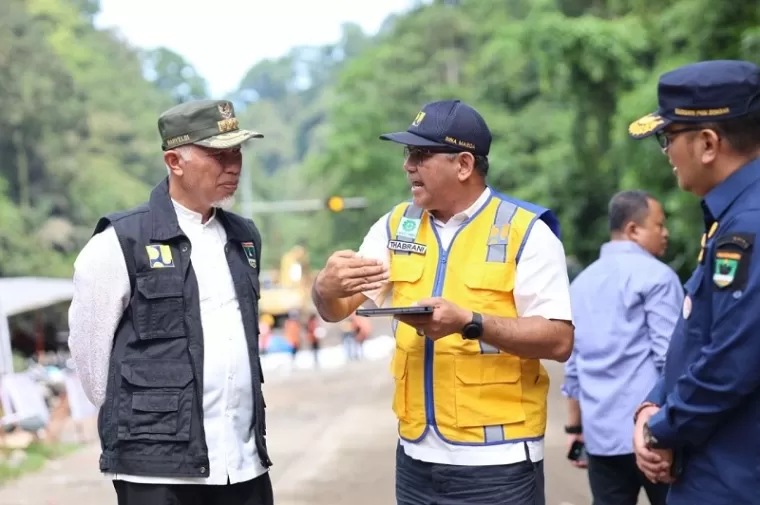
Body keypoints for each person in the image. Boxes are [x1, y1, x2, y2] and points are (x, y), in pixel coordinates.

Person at [311, 99, 574, 505]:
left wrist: (470, 321)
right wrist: (325, 288)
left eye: (420, 154)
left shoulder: (527, 233)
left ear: (464, 165)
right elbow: (337, 310)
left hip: (498, 465)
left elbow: (558, 340)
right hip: (416, 457)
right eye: (407, 154)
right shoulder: (397, 225)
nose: (407, 166)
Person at [67, 99, 274, 505]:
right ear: (174, 161)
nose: (233, 165)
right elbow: (91, 361)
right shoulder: (119, 242)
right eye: (218, 154)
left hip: (242, 462)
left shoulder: (243, 237)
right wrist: (148, 421)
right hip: (156, 472)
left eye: (237, 152)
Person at [628, 59, 760, 505]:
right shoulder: (731, 217)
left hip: (733, 478)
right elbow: (699, 331)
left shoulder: (750, 226)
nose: (666, 152)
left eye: (668, 138)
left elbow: (732, 360)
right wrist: (654, 401)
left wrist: (661, 426)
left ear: (707, 143)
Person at [562, 190, 681, 505]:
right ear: (633, 230)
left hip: (600, 438)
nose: (665, 233)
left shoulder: (580, 284)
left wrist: (575, 428)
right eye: (659, 224)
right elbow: (671, 360)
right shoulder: (658, 277)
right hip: (654, 437)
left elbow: (573, 364)